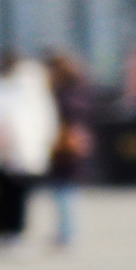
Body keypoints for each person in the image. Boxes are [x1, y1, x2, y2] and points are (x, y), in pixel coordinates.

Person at [0, 49, 56, 250]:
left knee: (18, 193)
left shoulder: (29, 86)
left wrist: (40, 143)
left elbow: (41, 117)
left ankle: (15, 232)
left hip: (21, 149)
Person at [44, 50, 94, 250]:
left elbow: (65, 115)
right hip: (72, 143)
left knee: (64, 189)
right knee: (66, 188)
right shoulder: (79, 88)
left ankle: (68, 233)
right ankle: (67, 232)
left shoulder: (63, 92)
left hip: (64, 144)